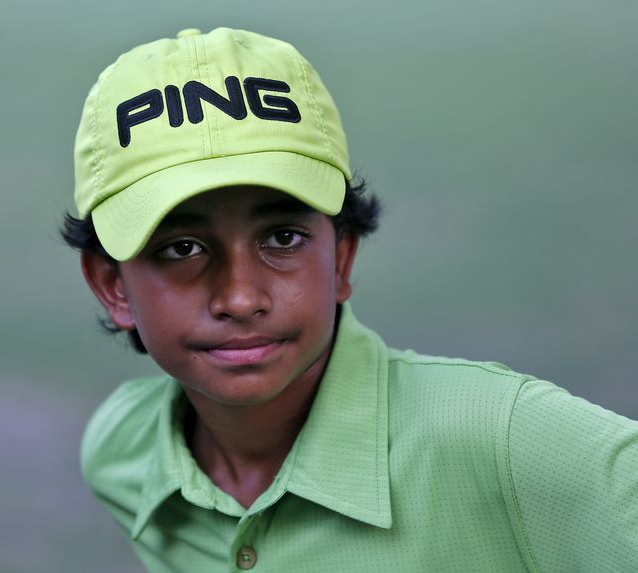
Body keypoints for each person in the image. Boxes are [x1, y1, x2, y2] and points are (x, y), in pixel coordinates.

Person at [62, 27, 638, 572]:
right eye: (182, 247)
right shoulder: (125, 454)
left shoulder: (504, 439)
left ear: (340, 258)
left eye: (282, 238)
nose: (240, 297)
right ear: (113, 286)